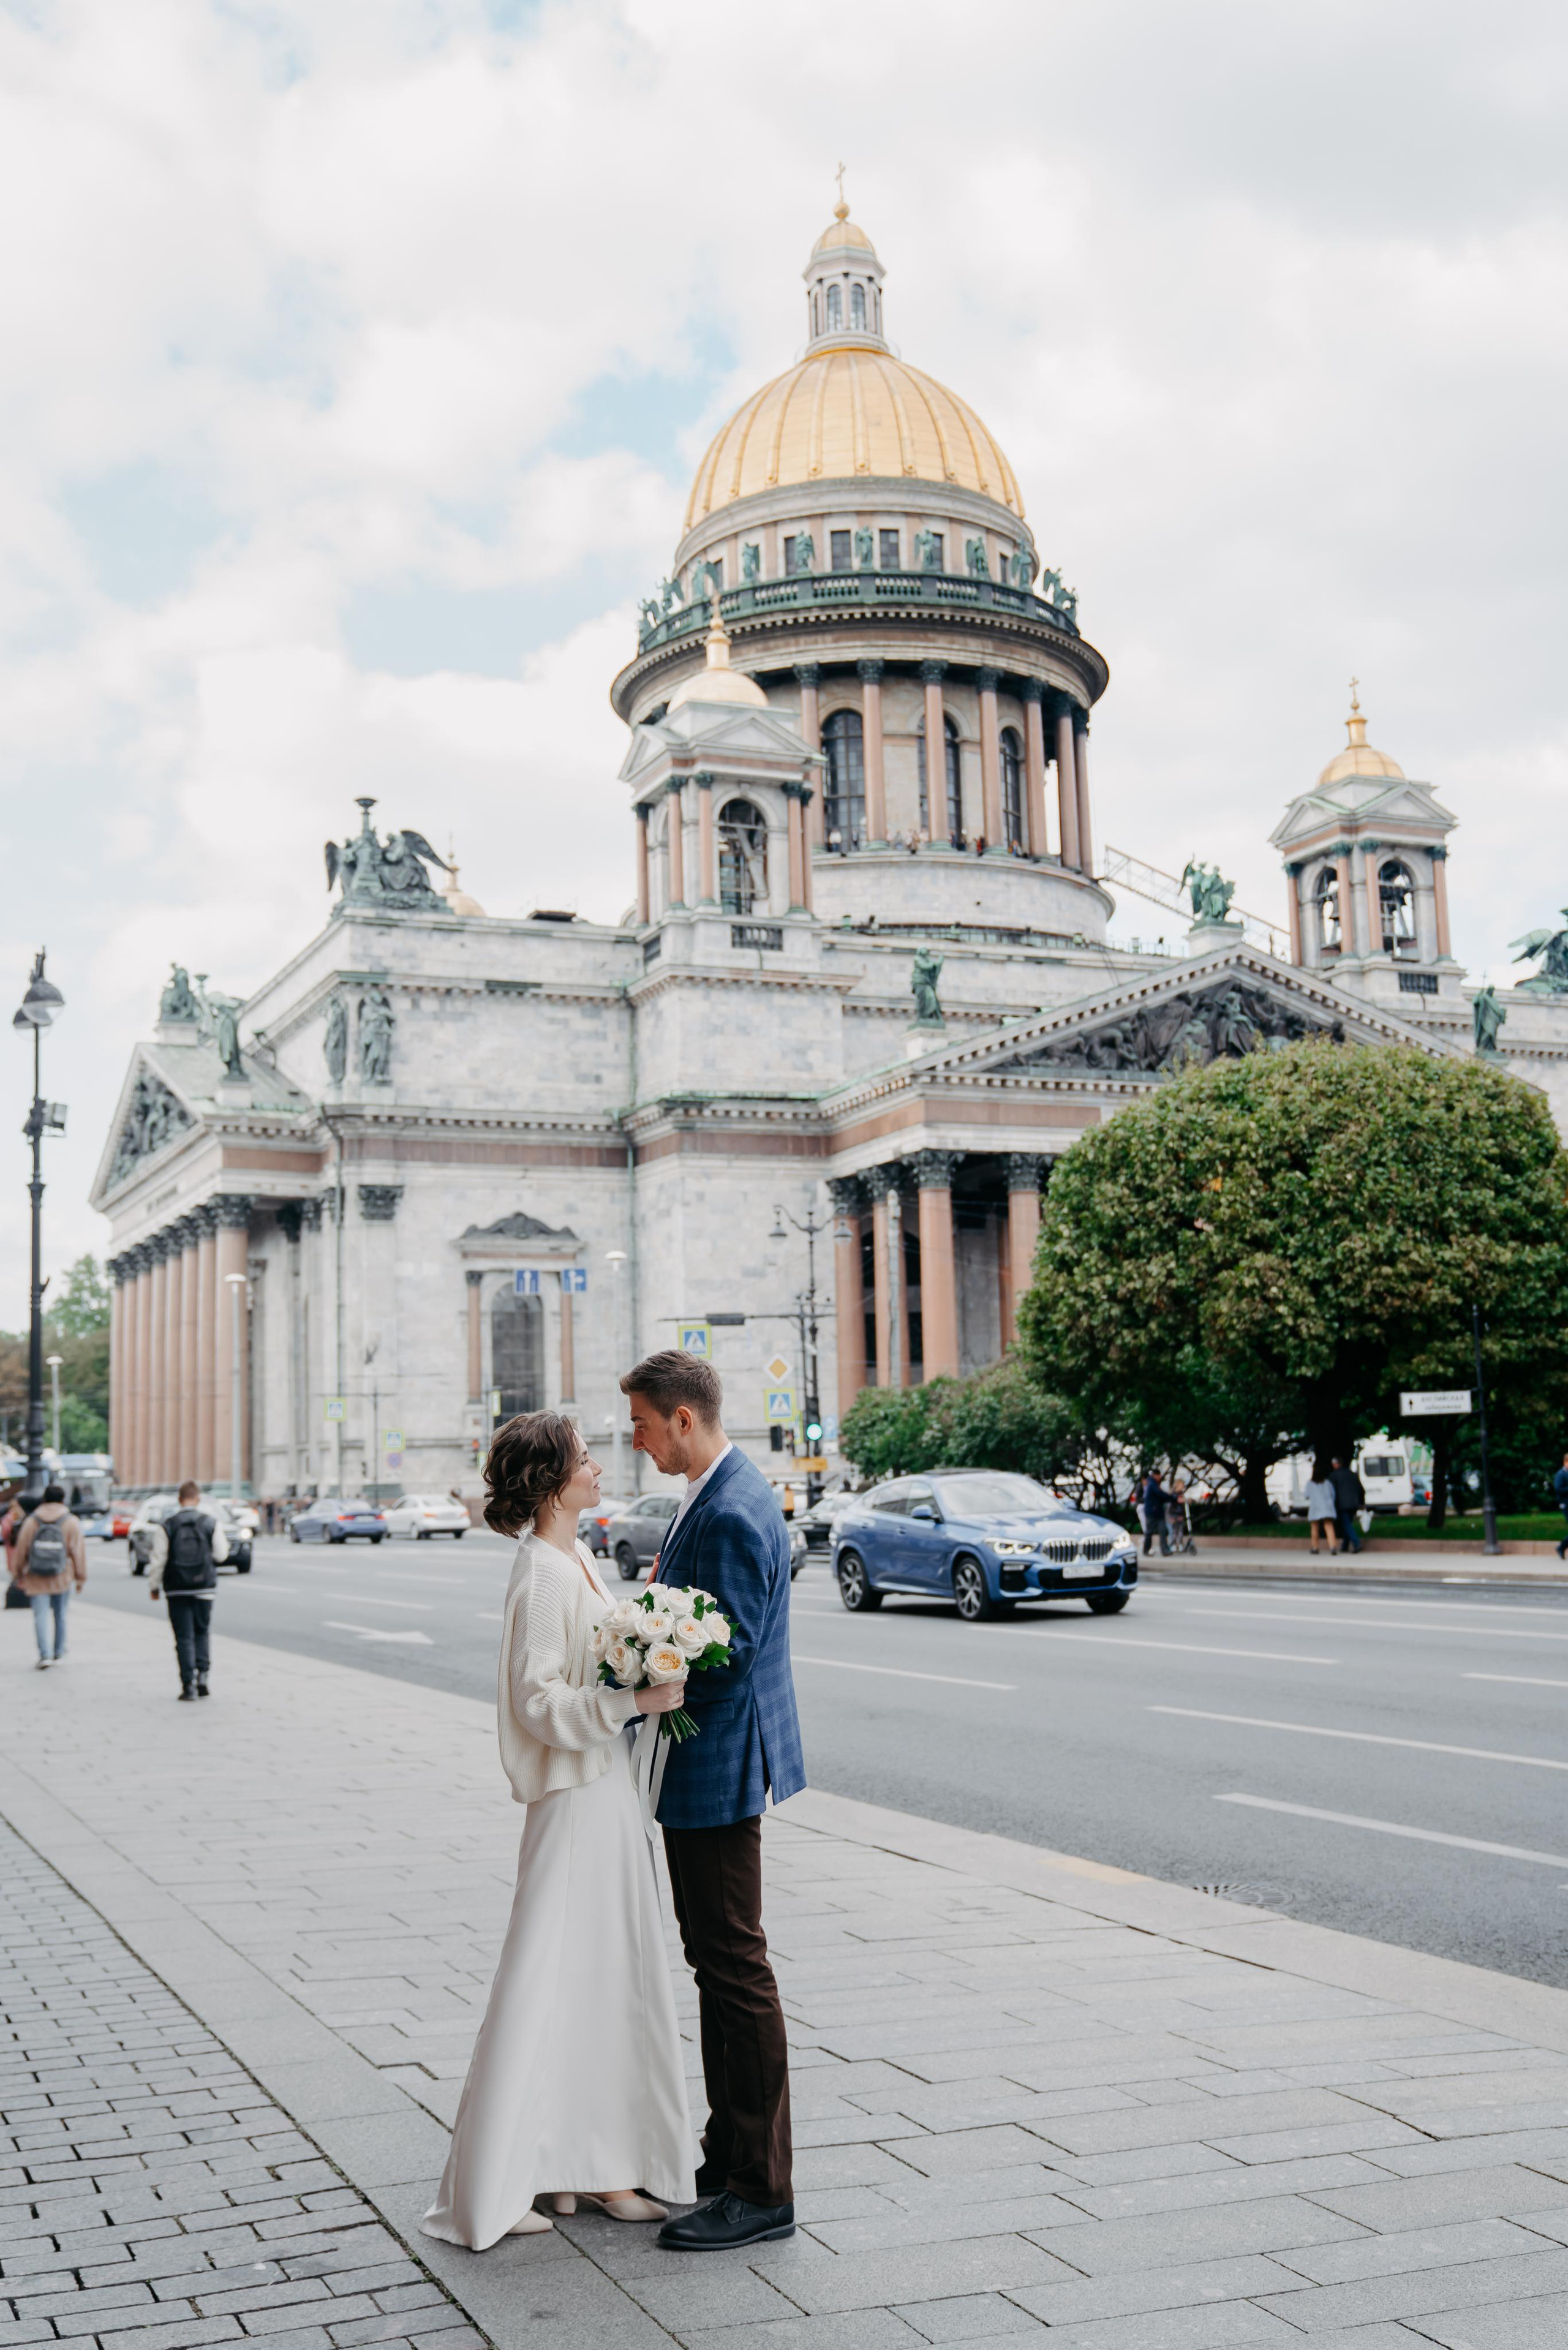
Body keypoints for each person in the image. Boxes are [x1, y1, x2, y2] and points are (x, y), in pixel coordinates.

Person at [421, 1410, 694, 2251]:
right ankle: (510, 2176)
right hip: (575, 1799)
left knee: (603, 1976)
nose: (600, 1469)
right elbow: (538, 1702)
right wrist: (632, 1700)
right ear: (549, 1481)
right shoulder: (541, 1571)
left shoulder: (573, 1556)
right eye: (584, 1460)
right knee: (550, 1977)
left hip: (603, 1790)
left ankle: (587, 2164)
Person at [622, 1349, 805, 2254]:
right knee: (715, 1963)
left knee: (734, 1965)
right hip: (709, 1764)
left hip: (720, 1764)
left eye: (644, 1427)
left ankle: (763, 2188)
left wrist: (642, 1654)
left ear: (683, 1420)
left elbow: (725, 1651)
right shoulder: (718, 1489)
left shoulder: (731, 1505)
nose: (638, 1442)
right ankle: (727, 2151)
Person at [147, 1480, 228, 1698]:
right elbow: (221, 1554)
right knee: (202, 1632)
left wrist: (154, 1586)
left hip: (177, 1588)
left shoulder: (168, 1525)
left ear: (179, 1500)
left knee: (183, 1637)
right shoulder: (211, 1522)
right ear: (198, 1499)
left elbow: (159, 1560)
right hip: (204, 1587)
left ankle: (188, 1686)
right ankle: (203, 1676)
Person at [10, 1485, 86, 1666]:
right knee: (60, 1614)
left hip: (36, 1575)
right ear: (62, 1499)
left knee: (40, 1615)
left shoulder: (32, 1521)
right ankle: (59, 1651)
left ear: (44, 1499)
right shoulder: (71, 1521)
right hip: (61, 1575)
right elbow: (78, 1552)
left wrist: (18, 1572)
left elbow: (22, 1549)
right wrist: (80, 1577)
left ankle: (45, 1655)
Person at [1329, 1455, 1366, 1554]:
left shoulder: (1334, 1476)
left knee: (1346, 1524)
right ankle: (1345, 1545)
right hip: (1354, 1504)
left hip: (1342, 1504)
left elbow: (1332, 1492)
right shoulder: (1352, 1474)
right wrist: (1361, 1503)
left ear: (1336, 1465)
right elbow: (1361, 1490)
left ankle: (1356, 1543)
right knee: (1348, 1523)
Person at [1305, 1465, 1340, 1557]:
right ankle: (1333, 1547)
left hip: (1316, 1508)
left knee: (1315, 1528)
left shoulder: (1310, 1484)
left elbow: (1306, 1495)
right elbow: (1333, 1494)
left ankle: (1315, 1548)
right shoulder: (1327, 1483)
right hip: (1327, 1507)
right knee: (1329, 1527)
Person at [1140, 1467, 1171, 1557]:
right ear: (1156, 1475)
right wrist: (1174, 1498)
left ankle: (1165, 1550)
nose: (1160, 1477)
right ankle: (1146, 1550)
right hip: (1152, 1512)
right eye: (1159, 1475)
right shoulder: (1152, 1484)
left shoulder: (1154, 1484)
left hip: (1158, 1512)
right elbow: (1161, 1495)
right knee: (1149, 1532)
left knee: (1163, 1531)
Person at [1553, 1452, 1568, 1559]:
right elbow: (1558, 1489)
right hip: (1566, 1505)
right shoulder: (1560, 1474)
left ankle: (1562, 1547)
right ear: (1565, 1462)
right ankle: (1562, 1547)